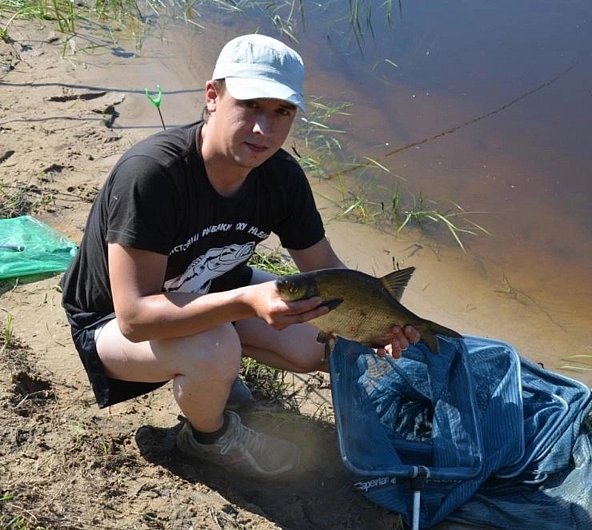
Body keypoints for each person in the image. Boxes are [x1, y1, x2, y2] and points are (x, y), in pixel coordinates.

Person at [60, 33, 419, 479]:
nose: (264, 130)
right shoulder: (153, 175)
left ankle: (214, 376)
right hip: (110, 326)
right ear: (213, 96)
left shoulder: (281, 176)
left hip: (212, 291)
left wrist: (377, 325)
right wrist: (247, 302)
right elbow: (134, 318)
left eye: (281, 112)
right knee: (215, 345)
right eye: (250, 106)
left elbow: (330, 274)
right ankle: (209, 437)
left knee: (320, 346)